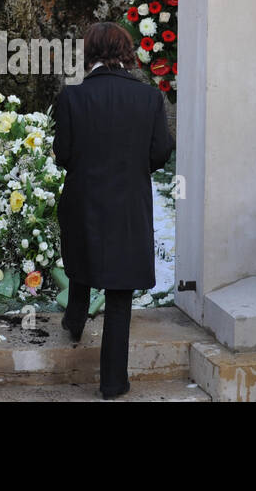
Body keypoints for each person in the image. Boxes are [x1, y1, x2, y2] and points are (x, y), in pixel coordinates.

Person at [53, 22, 175, 399]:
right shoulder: (149, 98)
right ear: (126, 53)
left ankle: (74, 322)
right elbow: (161, 151)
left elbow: (63, 155)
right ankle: (112, 384)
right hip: (127, 203)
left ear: (89, 53)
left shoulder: (71, 97)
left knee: (81, 259)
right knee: (119, 292)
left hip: (83, 198)